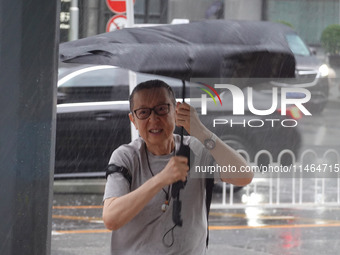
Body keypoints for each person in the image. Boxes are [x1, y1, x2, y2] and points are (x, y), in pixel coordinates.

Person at [102, 79, 253, 255]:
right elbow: (111, 219)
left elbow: (244, 175)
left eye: (161, 109)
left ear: (176, 111)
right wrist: (161, 179)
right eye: (143, 112)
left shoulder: (195, 150)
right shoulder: (126, 157)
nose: (153, 119)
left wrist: (201, 131)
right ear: (133, 120)